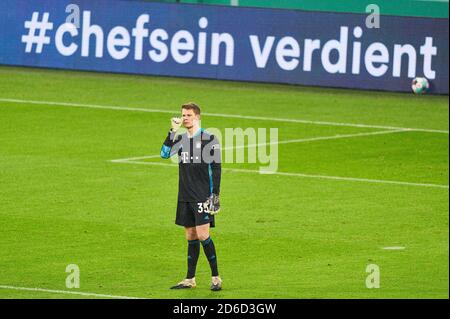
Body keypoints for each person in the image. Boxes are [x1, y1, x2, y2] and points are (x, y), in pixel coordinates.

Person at [160, 102, 222, 291]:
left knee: (203, 235)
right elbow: (164, 154)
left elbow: (217, 168)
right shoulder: (179, 139)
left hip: (202, 196)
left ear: (197, 117)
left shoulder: (209, 139)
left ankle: (216, 277)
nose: (184, 118)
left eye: (188, 115)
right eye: (183, 115)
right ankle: (190, 279)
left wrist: (215, 196)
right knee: (190, 235)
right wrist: (172, 130)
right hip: (185, 195)